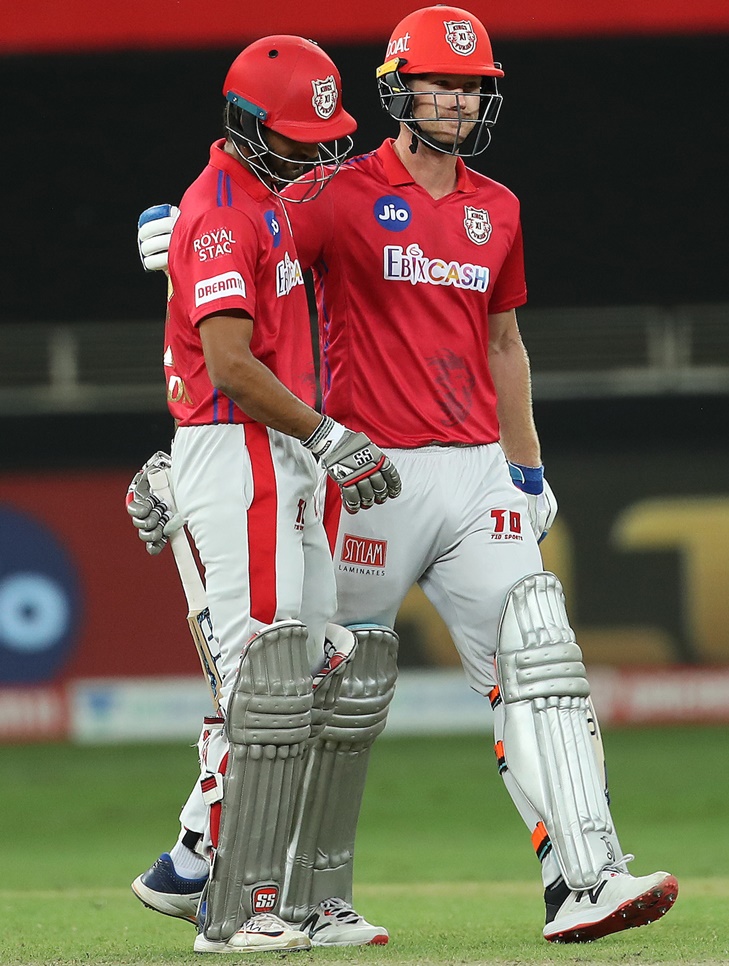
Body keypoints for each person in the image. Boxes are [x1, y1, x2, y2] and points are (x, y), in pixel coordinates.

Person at [131, 4, 678, 943]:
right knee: (300, 676)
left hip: (472, 476)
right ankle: (208, 859)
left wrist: (527, 469)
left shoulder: (497, 207)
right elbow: (240, 247)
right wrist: (171, 225)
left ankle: (586, 879)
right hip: (364, 473)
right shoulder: (336, 191)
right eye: (440, 82)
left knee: (537, 650)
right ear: (397, 89)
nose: (458, 99)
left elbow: (506, 343)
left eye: (472, 85)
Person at [125, 34, 401, 954]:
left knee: (320, 674)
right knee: (267, 686)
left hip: (275, 449)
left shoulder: (267, 202)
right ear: (244, 127)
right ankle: (229, 905)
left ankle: (261, 882)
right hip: (240, 445)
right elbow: (230, 368)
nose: (317, 149)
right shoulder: (223, 212)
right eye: (296, 134)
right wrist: (326, 434)